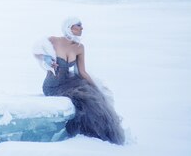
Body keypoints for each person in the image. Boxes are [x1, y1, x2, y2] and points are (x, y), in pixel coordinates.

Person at [33, 17, 125, 145]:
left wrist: (97, 88)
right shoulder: (54, 40)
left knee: (94, 96)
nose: (82, 28)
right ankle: (83, 132)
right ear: (69, 27)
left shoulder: (79, 48)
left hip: (68, 82)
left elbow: (82, 72)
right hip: (53, 86)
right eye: (78, 25)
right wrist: (47, 58)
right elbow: (36, 51)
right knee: (85, 100)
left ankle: (102, 136)